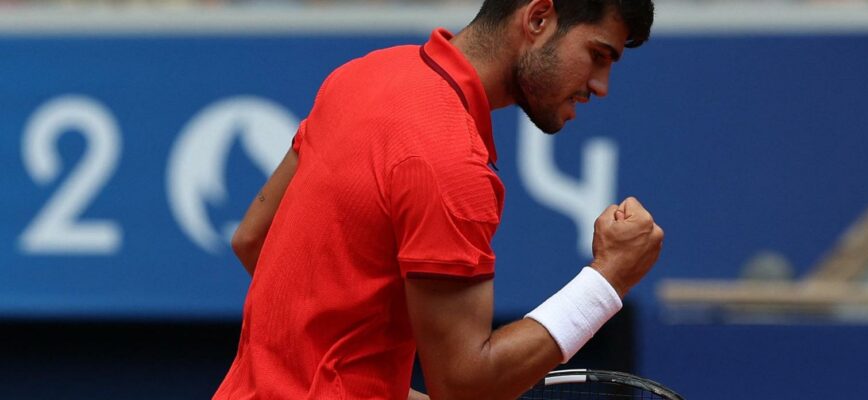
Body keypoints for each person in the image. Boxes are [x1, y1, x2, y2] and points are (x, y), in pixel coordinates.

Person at [214, 0, 662, 399]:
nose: (601, 85)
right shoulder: (452, 161)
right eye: (598, 55)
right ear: (539, 18)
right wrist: (609, 278)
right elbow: (467, 385)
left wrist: (364, 382)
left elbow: (254, 239)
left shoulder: (362, 73)